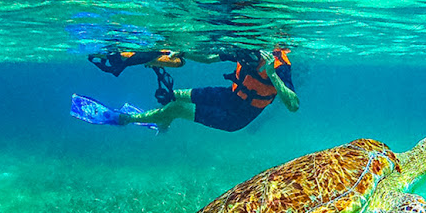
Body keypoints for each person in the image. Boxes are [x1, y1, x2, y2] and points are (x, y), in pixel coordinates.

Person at [71, 48, 298, 132]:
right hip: (229, 96)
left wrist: (272, 74)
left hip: (237, 116)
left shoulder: (280, 65)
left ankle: (123, 119)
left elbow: (293, 105)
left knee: (177, 108)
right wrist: (183, 54)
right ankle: (162, 122)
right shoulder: (244, 49)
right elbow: (210, 58)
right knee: (173, 95)